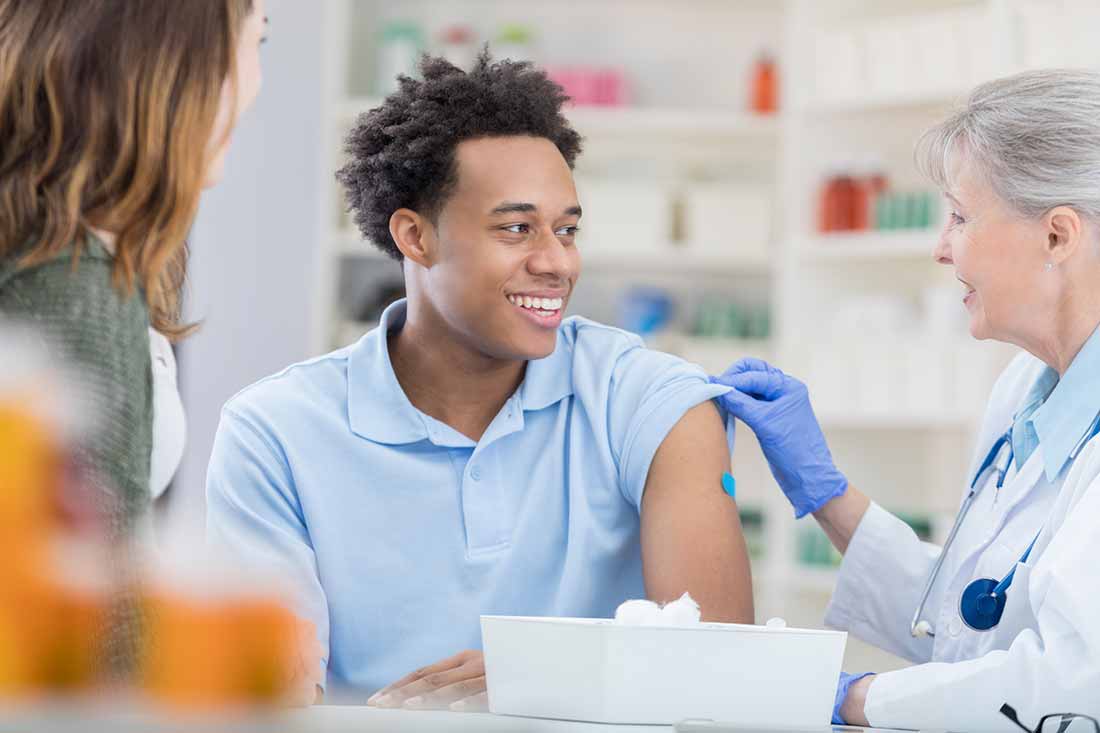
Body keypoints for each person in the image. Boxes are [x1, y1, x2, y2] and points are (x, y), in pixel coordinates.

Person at [205, 52, 755, 710]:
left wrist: (542, 677)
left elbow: (725, 680)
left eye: (567, 229)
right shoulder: (276, 432)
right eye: (517, 228)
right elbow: (268, 710)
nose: (556, 262)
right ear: (415, 236)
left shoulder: (653, 404)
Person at [714, 69, 1100, 731]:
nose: (941, 249)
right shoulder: (1021, 391)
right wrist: (826, 493)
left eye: (959, 217)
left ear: (1058, 236)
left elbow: (1074, 681)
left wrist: (855, 698)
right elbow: (971, 619)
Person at [0, 0, 321, 703]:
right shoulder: (71, 281)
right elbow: (78, 624)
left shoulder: (75, 250)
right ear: (168, 59)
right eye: (254, 40)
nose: (256, 80)